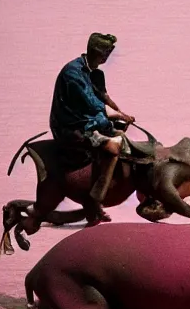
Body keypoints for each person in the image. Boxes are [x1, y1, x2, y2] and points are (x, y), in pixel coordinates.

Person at [49, 32, 134, 225]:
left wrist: (120, 113)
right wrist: (111, 121)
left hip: (85, 120)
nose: (107, 58)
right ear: (98, 52)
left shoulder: (93, 71)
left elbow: (102, 95)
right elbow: (92, 104)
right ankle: (96, 198)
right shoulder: (73, 74)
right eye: (106, 53)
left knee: (120, 134)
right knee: (114, 148)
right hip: (71, 128)